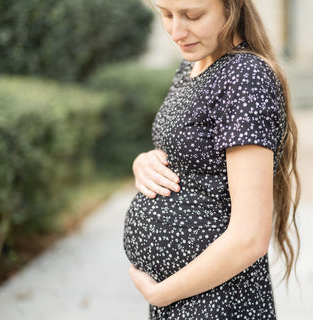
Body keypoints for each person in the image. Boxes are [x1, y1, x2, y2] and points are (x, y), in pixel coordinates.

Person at [123, 0, 301, 318]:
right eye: (166, 14)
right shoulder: (194, 63)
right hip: (186, 298)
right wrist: (144, 163)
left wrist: (162, 294)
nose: (176, 31)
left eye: (193, 15)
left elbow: (250, 238)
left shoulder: (245, 78)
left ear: (231, 8)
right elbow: (188, 155)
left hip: (216, 304)